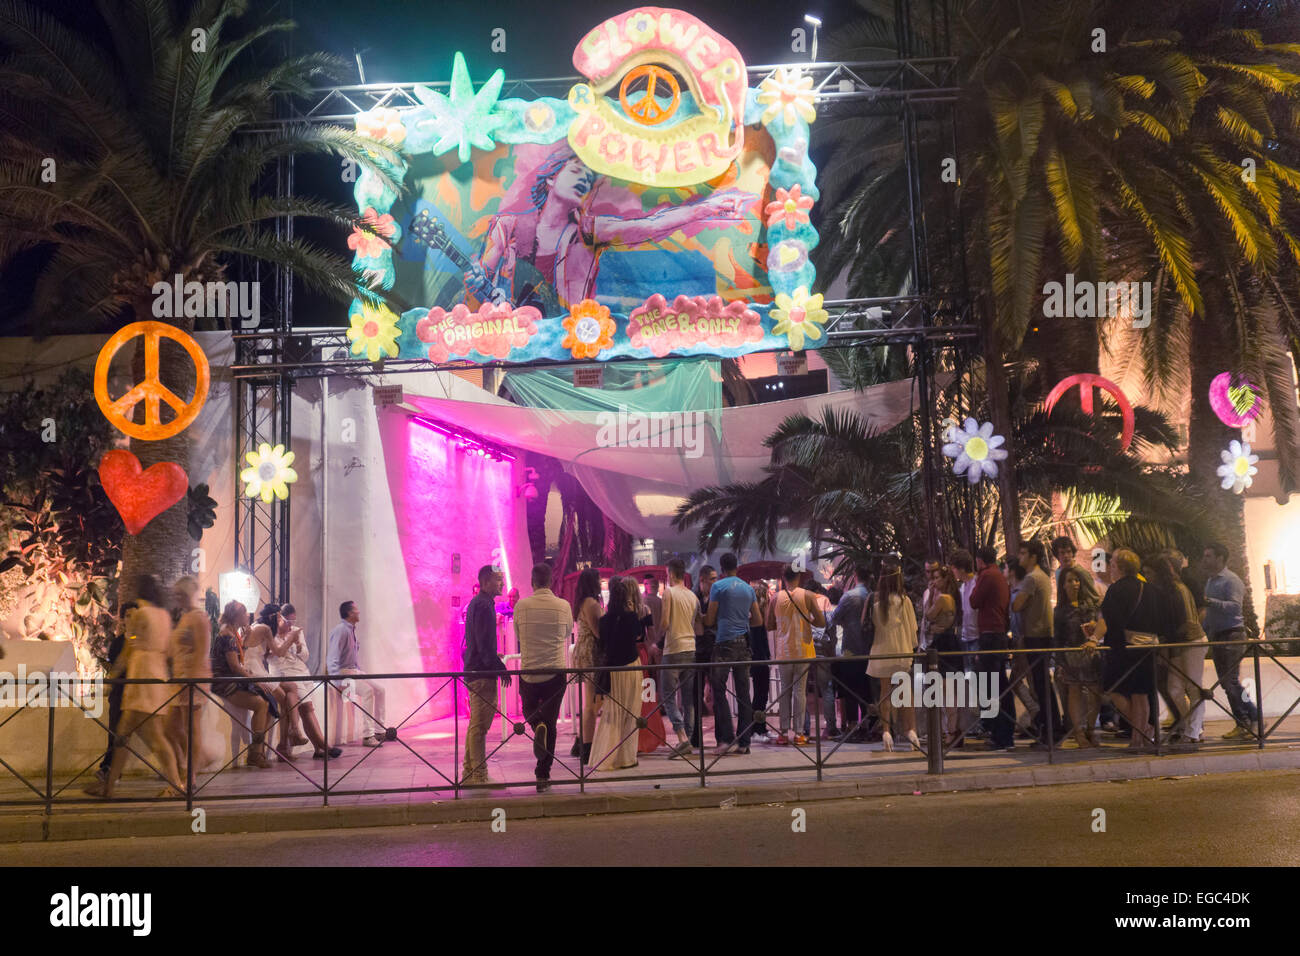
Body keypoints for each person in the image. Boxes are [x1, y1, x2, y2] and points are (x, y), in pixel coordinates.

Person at [465, 144, 752, 311]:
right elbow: (481, 281)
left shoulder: (589, 232)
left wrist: (706, 208)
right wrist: (477, 283)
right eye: (577, 172)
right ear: (551, 178)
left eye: (589, 180)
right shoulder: (507, 227)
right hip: (517, 342)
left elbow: (651, 225)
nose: (584, 181)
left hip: (571, 342)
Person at [85, 577, 185, 797]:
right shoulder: (164, 617)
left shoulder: (142, 614)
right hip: (156, 675)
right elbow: (169, 651)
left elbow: (128, 647)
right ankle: (109, 786)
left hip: (142, 677)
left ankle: (176, 784)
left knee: (155, 738)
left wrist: (113, 674)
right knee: (123, 734)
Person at [1093, 549, 1179, 751]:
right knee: (1141, 694)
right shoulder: (1150, 589)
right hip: (1149, 647)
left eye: (1112, 565)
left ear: (1120, 567)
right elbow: (1166, 620)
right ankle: (1139, 737)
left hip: (1126, 649)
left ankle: (1141, 733)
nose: (1110, 569)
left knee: (1112, 689)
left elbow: (1110, 620)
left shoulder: (1116, 590)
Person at [513, 562, 573, 791]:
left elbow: (518, 634)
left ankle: (535, 724)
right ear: (551, 581)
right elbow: (568, 632)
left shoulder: (521, 606)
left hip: (529, 673)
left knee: (529, 710)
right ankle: (542, 774)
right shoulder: (563, 606)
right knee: (551, 722)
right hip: (555, 673)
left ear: (532, 581)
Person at [590, 577, 653, 770]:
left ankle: (604, 756)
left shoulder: (604, 620)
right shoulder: (631, 617)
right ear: (626, 597)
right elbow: (638, 636)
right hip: (631, 667)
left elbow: (602, 644)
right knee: (631, 712)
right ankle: (627, 757)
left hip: (613, 670)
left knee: (612, 712)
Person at [266, 603, 340, 760]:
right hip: (286, 675)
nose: (290, 625)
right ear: (279, 619)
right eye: (287, 621)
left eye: (293, 621)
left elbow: (306, 656)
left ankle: (318, 748)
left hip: (303, 673)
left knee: (307, 709)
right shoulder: (270, 635)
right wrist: (288, 642)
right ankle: (324, 746)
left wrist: (298, 646)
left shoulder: (296, 632)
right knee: (307, 707)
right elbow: (276, 658)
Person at [206, 601, 275, 768]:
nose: (248, 617)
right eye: (245, 614)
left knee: (267, 701)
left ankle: (256, 750)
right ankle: (255, 753)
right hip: (225, 683)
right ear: (237, 616)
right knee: (261, 704)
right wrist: (255, 679)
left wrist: (244, 639)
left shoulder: (231, 633)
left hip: (231, 679)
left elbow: (238, 659)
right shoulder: (227, 636)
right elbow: (235, 666)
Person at [1201, 543, 1259, 738]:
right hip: (1218, 635)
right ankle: (1246, 720)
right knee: (1227, 683)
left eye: (1208, 556)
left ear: (1220, 558)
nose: (1205, 559)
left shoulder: (1231, 580)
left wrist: (1209, 602)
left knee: (1230, 681)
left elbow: (1235, 607)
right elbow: (1210, 613)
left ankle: (1251, 719)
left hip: (1232, 634)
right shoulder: (1211, 581)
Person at [704, 552, 760, 755]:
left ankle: (726, 740)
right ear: (737, 567)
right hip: (744, 644)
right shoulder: (747, 588)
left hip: (724, 643)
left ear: (721, 569)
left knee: (718, 691)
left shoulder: (718, 587)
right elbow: (758, 621)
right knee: (744, 694)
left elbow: (710, 619)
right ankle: (744, 742)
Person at [460, 568, 510, 784]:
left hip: (477, 670)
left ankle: (469, 772)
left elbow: (481, 642)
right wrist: (499, 667)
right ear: (487, 581)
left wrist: (494, 658)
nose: (502, 584)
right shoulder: (483, 605)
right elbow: (482, 643)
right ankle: (478, 775)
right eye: (499, 580)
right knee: (480, 726)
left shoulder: (481, 603)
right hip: (481, 673)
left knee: (476, 725)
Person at [766, 565, 824, 746]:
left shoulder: (775, 598)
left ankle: (783, 733)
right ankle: (799, 733)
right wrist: (807, 620)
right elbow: (821, 622)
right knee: (800, 692)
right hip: (803, 650)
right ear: (798, 577)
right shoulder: (807, 595)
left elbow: (768, 625)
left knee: (785, 691)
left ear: (783, 577)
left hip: (784, 651)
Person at [866, 564, 920, 752]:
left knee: (885, 692)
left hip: (882, 651)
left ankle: (886, 732)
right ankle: (911, 731)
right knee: (905, 692)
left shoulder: (876, 603)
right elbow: (913, 629)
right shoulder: (905, 602)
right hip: (902, 650)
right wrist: (912, 646)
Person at [1016, 540, 1062, 747]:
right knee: (1044, 686)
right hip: (1044, 634)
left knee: (1041, 687)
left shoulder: (1031, 579)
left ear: (1033, 556)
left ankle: (1051, 732)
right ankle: (1052, 729)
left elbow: (1016, 605)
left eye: (1023, 553)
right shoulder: (1043, 577)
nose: (1020, 557)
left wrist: (1015, 590)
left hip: (1036, 636)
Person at [969, 547, 1015, 750]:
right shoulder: (999, 575)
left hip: (990, 636)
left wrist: (977, 580)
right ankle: (1003, 733)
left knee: (992, 685)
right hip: (999, 634)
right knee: (999, 684)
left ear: (979, 561)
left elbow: (974, 601)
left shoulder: (987, 576)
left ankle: (1000, 734)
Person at [165, 578, 209, 783]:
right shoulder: (185, 617)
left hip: (192, 680)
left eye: (180, 594)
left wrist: (191, 678)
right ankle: (193, 762)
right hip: (180, 679)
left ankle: (190, 774)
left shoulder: (199, 618)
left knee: (192, 728)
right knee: (170, 727)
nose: (177, 598)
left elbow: (202, 651)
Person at [1160, 555, 1208, 745]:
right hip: (1179, 643)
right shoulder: (1173, 589)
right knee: (1174, 688)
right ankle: (1191, 726)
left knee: (1193, 687)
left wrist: (1166, 640)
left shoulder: (1178, 589)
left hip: (1191, 641)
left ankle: (1194, 731)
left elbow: (1186, 621)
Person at [328, 601, 388, 749]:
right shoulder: (341, 630)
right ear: (349, 613)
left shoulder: (351, 630)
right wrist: (337, 681)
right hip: (343, 673)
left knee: (380, 689)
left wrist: (359, 671)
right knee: (368, 691)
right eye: (356, 609)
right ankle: (368, 735)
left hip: (353, 671)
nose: (358, 612)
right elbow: (332, 657)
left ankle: (380, 730)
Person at [1054, 566, 1103, 748]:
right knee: (1074, 692)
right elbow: (1058, 639)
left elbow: (1102, 625)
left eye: (1077, 580)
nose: (1074, 584)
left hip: (1090, 654)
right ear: (1063, 585)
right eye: (1069, 580)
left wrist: (1094, 627)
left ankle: (1091, 729)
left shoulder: (1091, 606)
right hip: (1071, 655)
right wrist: (1059, 661)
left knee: (1095, 692)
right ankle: (1079, 732)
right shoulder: (1060, 611)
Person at [658, 559, 700, 759]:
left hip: (673, 648)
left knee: (667, 695)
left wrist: (658, 640)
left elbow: (665, 622)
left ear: (671, 574)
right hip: (690, 648)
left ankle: (682, 737)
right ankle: (688, 740)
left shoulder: (669, 593)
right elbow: (695, 624)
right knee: (688, 698)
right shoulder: (692, 596)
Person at [94, 600, 136, 786]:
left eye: (135, 615)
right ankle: (109, 770)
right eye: (128, 616)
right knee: (115, 732)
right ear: (123, 619)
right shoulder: (119, 642)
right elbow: (114, 665)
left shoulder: (142, 642)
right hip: (119, 693)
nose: (131, 619)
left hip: (137, 694)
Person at [830, 567, 874, 743]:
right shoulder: (872, 595)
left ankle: (852, 726)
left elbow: (834, 617)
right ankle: (867, 725)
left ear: (855, 576)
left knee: (850, 690)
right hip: (870, 650)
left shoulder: (849, 596)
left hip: (851, 649)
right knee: (866, 689)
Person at [247, 606, 296, 761]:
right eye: (280, 618)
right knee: (282, 699)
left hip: (256, 667)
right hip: (255, 670)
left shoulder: (257, 625)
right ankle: (276, 746)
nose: (282, 621)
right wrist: (292, 638)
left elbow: (258, 649)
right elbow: (280, 653)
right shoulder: (266, 629)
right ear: (275, 617)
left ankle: (281, 744)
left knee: (287, 692)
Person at [922, 564, 962, 747]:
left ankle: (951, 732)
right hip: (948, 642)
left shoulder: (943, 598)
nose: (934, 581)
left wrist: (930, 596)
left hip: (943, 645)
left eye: (938, 578)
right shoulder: (952, 597)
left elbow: (928, 616)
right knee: (947, 690)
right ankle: (949, 730)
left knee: (945, 691)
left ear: (946, 580)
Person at [569, 567, 603, 764]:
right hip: (591, 652)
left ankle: (580, 741)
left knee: (591, 700)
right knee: (590, 703)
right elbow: (598, 632)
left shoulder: (584, 602)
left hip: (585, 651)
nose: (601, 583)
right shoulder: (591, 603)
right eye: (598, 580)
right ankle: (586, 748)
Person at [949, 549, 983, 739]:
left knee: (980, 681)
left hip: (977, 637)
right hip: (966, 638)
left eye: (953, 569)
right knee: (970, 681)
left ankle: (982, 722)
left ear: (959, 569)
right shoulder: (962, 588)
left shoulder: (977, 583)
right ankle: (974, 723)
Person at [806, 582, 839, 738]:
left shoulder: (803, 599)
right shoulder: (825, 600)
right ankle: (831, 728)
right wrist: (831, 648)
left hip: (805, 647)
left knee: (801, 690)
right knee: (826, 688)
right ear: (819, 589)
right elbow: (830, 625)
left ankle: (803, 730)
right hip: (822, 648)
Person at [691, 564, 717, 745]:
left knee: (719, 693)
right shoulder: (693, 597)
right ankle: (695, 736)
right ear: (703, 580)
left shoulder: (718, 596)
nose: (716, 582)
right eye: (713, 579)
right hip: (697, 649)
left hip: (714, 649)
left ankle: (721, 737)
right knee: (695, 694)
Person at [748, 580, 772, 742]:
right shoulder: (757, 619)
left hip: (760, 658)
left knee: (761, 693)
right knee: (760, 694)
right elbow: (758, 642)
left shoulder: (757, 617)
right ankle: (756, 729)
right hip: (758, 659)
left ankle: (761, 728)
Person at [642, 575, 663, 665]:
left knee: (648, 672)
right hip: (660, 641)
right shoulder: (662, 602)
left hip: (647, 643)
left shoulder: (643, 601)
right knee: (659, 672)